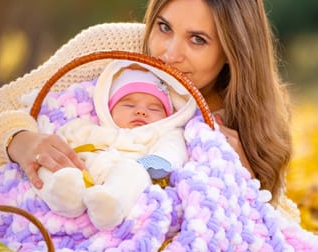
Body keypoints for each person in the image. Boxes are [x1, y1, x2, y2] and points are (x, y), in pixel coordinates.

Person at [0, 0, 298, 220]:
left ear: (232, 50)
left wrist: (245, 183)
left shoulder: (241, 114)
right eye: (164, 27)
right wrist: (19, 140)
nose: (168, 53)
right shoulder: (111, 48)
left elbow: (276, 224)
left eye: (197, 39)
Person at [32, 59, 196, 230]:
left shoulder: (160, 134)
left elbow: (173, 149)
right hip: (82, 173)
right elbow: (63, 141)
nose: (141, 111)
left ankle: (111, 204)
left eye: (154, 108)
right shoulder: (91, 129)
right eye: (129, 105)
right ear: (109, 110)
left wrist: (155, 162)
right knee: (50, 164)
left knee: (134, 173)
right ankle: (63, 196)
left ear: (166, 116)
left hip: (127, 173)